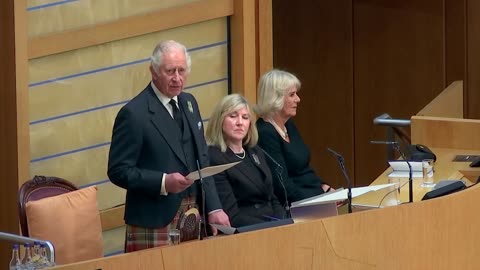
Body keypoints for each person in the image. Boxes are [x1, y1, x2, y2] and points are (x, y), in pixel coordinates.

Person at [108, 40, 230, 252]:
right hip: (154, 220)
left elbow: (202, 158)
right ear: (153, 72)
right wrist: (163, 182)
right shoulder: (134, 114)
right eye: (170, 71)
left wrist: (215, 207)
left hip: (194, 214)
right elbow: (118, 171)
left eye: (182, 71)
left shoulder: (189, 102)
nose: (177, 78)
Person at [206, 94, 287, 227]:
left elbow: (271, 197)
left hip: (272, 224)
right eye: (233, 116)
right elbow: (232, 215)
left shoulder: (255, 151)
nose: (240, 122)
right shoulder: (214, 157)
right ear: (219, 120)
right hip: (247, 230)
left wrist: (283, 220)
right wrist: (271, 228)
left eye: (245, 117)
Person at [255, 69, 333, 207]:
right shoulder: (264, 132)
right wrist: (319, 198)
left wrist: (324, 186)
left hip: (312, 196)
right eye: (292, 95)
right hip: (294, 206)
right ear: (275, 98)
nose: (298, 99)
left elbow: (303, 168)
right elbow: (281, 185)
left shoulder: (288, 125)